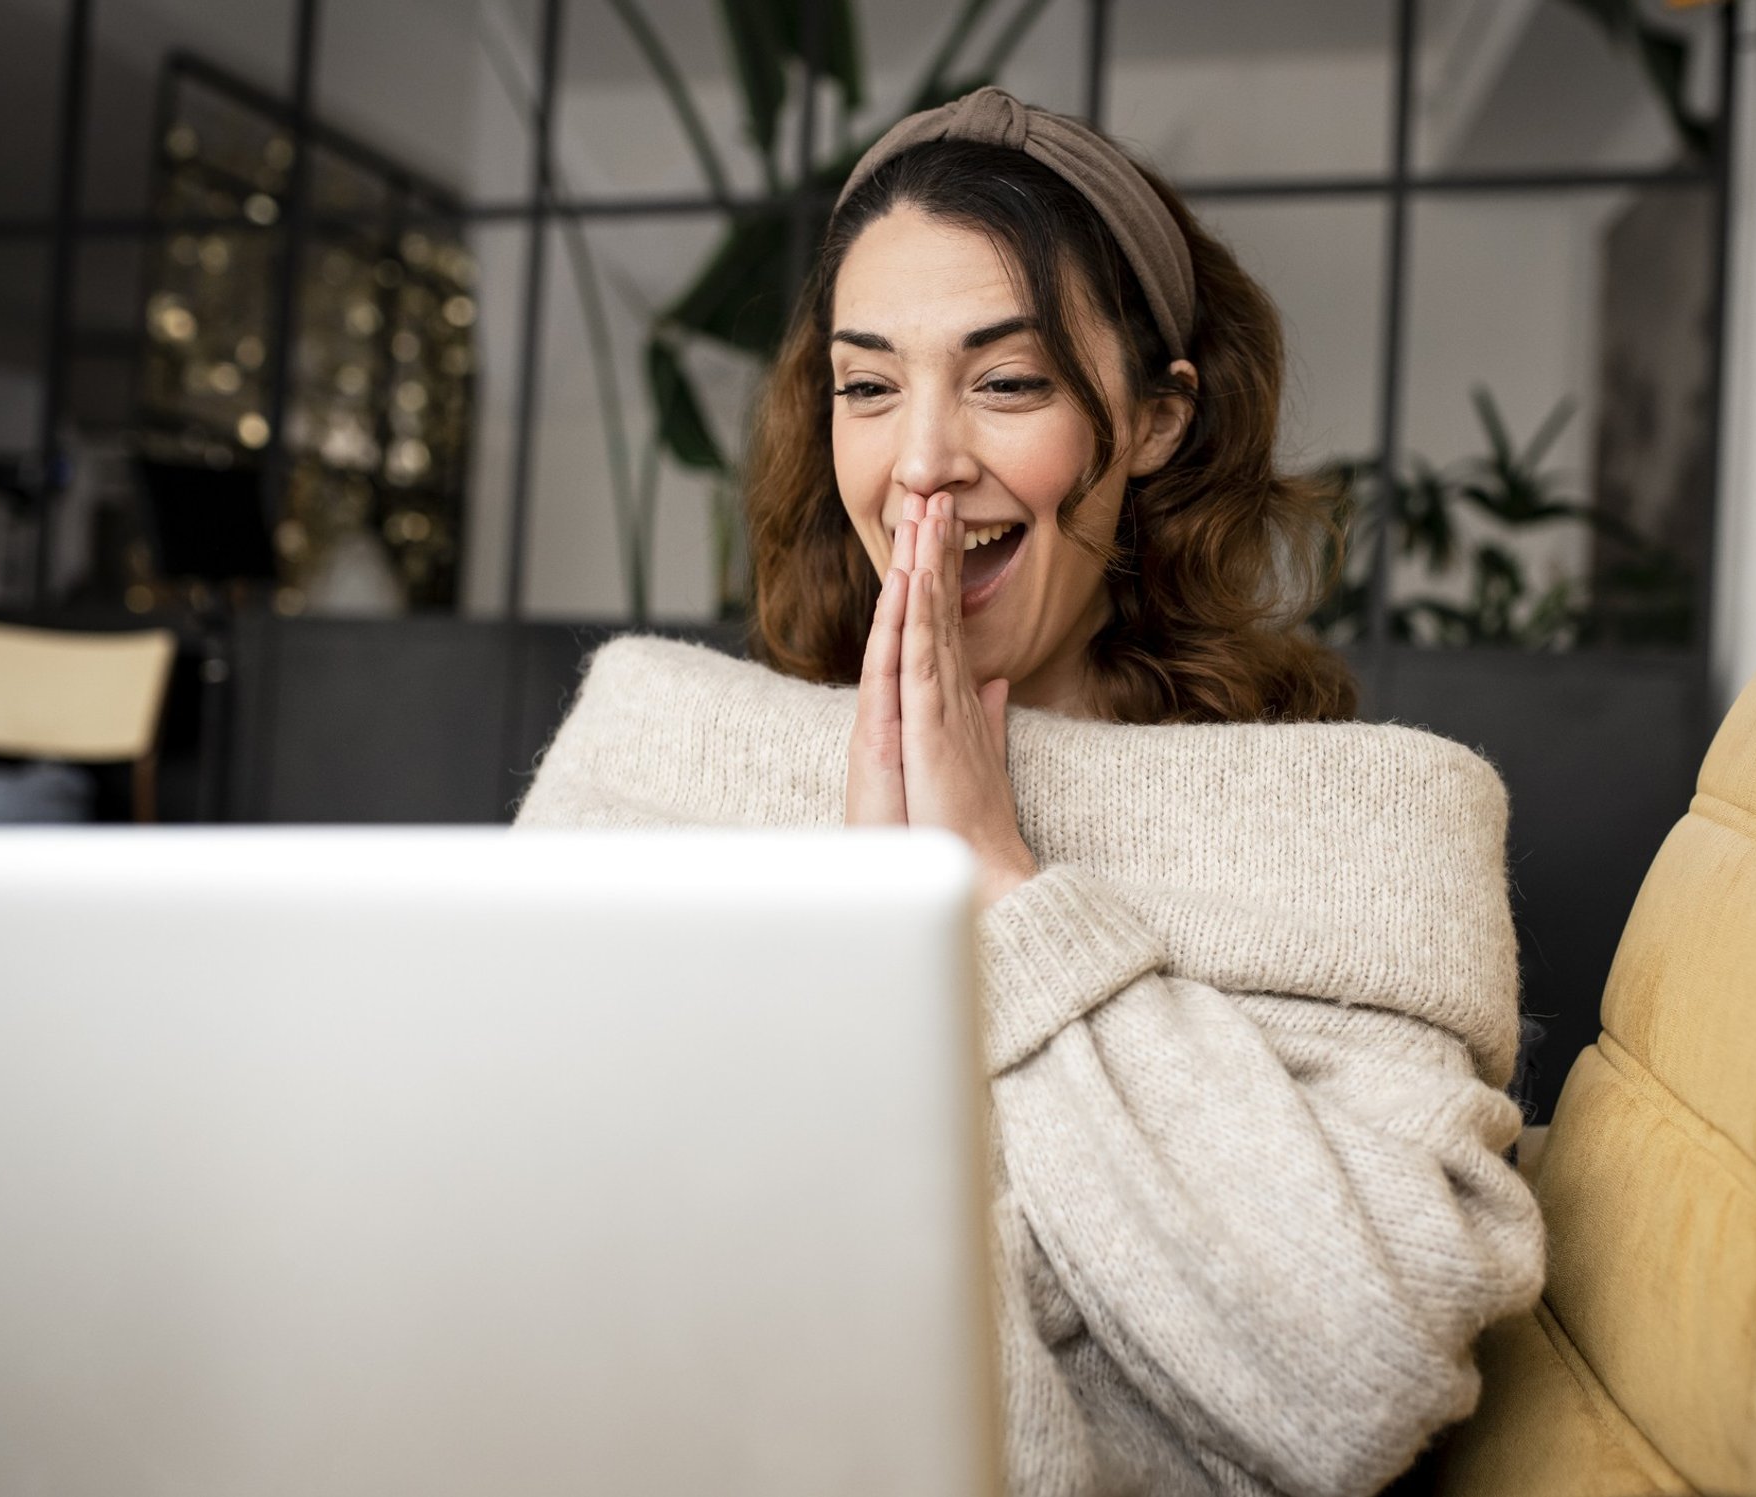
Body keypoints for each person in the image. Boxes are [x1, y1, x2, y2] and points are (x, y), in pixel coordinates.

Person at [517, 87, 1545, 1497]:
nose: (923, 464)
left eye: (1008, 383)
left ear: (1156, 418)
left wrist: (999, 894)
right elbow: (504, 1242)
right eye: (868, 387)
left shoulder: (1368, 833)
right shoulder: (660, 746)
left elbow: (1362, 1378)